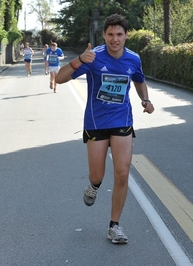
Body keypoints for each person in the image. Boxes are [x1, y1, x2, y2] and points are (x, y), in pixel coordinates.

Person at [55, 14, 154, 244]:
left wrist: (145, 100)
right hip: (96, 123)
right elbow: (59, 78)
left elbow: (139, 80)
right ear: (104, 35)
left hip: (122, 121)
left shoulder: (133, 59)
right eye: (110, 34)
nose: (115, 39)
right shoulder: (94, 57)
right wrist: (79, 59)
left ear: (126, 35)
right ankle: (93, 186)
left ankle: (114, 226)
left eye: (119, 34)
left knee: (122, 172)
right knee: (97, 175)